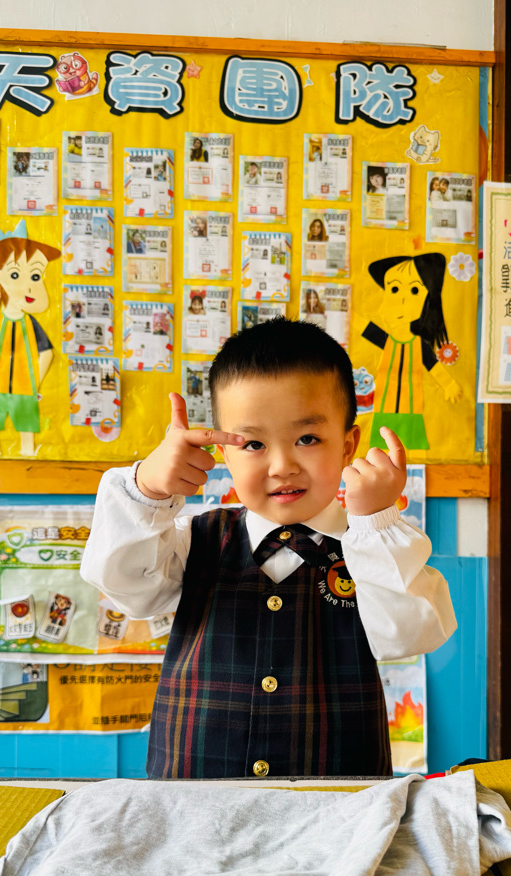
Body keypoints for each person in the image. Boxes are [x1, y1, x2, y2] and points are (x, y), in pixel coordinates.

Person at [81, 318, 456, 779]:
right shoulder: (194, 539)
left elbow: (410, 636)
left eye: (307, 439)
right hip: (195, 795)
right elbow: (123, 585)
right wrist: (146, 489)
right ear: (224, 454)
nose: (282, 466)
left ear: (348, 446)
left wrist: (376, 522)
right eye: (254, 443)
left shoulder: (374, 547)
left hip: (337, 798)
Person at [0, 219, 60, 458]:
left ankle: (27, 453)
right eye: (15, 274)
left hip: (23, 388)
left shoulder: (29, 323)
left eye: (34, 276)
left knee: (26, 430)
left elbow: (47, 352)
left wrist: (34, 380)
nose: (27, 286)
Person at [362, 253, 463, 452]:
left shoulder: (419, 344)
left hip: (411, 409)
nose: (402, 299)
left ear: (427, 300)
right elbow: (363, 326)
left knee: (411, 443)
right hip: (384, 407)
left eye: (415, 290)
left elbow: (433, 365)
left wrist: (449, 384)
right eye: (394, 289)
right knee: (380, 445)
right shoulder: (387, 340)